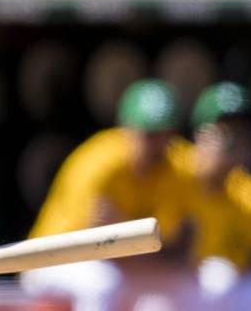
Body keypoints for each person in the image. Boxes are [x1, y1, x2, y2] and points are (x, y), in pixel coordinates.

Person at [21, 79, 198, 311]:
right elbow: (92, 245)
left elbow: (171, 244)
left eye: (166, 134)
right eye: (150, 133)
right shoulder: (100, 162)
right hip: (50, 260)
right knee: (103, 283)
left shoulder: (174, 167)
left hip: (121, 264)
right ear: (126, 128)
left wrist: (122, 227)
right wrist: (130, 241)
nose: (159, 143)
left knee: (182, 287)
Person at [173, 82, 251, 302]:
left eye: (243, 133)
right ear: (200, 134)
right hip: (159, 287)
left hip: (226, 295)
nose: (237, 143)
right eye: (228, 132)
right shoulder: (172, 172)